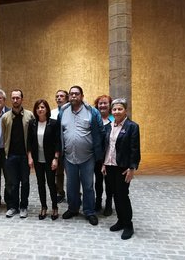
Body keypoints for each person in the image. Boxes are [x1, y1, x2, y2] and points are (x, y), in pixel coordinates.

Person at [59, 85, 105, 226]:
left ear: (82, 96)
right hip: (69, 157)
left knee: (88, 186)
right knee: (71, 185)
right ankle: (73, 208)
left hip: (87, 157)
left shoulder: (92, 111)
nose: (74, 96)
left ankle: (89, 211)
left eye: (77, 94)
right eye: (71, 94)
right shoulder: (63, 111)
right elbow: (60, 132)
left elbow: (101, 131)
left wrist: (100, 153)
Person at [101, 98, 140, 240]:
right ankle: (120, 221)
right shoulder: (108, 126)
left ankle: (128, 224)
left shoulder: (132, 126)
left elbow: (134, 149)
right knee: (115, 195)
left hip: (123, 168)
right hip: (109, 166)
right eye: (115, 109)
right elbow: (107, 147)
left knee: (123, 196)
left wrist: (132, 167)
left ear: (125, 110)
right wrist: (104, 163)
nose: (117, 112)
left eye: (120, 109)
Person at [2, 89, 34, 218]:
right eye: (13, 98)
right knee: (12, 183)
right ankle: (13, 206)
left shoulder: (30, 115)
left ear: (22, 99)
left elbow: (32, 137)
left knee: (25, 182)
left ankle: (24, 206)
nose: (15, 100)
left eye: (17, 98)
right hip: (11, 155)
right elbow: (4, 136)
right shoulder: (5, 117)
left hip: (25, 155)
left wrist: (31, 155)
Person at [27, 99, 60, 220]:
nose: (40, 109)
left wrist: (56, 158)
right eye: (38, 107)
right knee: (40, 184)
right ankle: (43, 207)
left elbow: (57, 142)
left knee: (51, 184)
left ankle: (55, 207)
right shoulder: (32, 123)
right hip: (37, 159)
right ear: (35, 110)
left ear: (46, 109)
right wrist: (30, 158)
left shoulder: (54, 123)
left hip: (50, 159)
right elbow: (29, 142)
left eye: (42, 107)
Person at [93, 94, 114, 216]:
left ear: (110, 105)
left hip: (110, 157)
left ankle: (108, 203)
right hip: (97, 156)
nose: (103, 105)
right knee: (98, 181)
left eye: (105, 103)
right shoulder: (95, 119)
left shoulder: (114, 119)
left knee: (109, 182)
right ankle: (98, 201)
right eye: (100, 103)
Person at [50, 90, 69, 203]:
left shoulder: (71, 111)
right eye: (57, 96)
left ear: (67, 98)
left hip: (69, 147)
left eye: (61, 96)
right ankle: (60, 192)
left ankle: (76, 193)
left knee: (72, 173)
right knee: (58, 173)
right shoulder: (52, 113)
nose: (59, 98)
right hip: (57, 147)